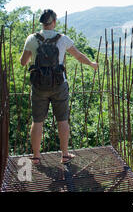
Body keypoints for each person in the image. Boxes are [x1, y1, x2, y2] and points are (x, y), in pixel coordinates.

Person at [20, 9, 98, 164]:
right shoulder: (63, 39)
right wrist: (91, 63)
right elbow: (78, 56)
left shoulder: (31, 39)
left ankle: (36, 157)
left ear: (42, 22)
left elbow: (23, 62)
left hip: (39, 86)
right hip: (59, 84)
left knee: (37, 122)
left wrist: (35, 59)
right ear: (54, 22)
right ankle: (64, 155)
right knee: (62, 120)